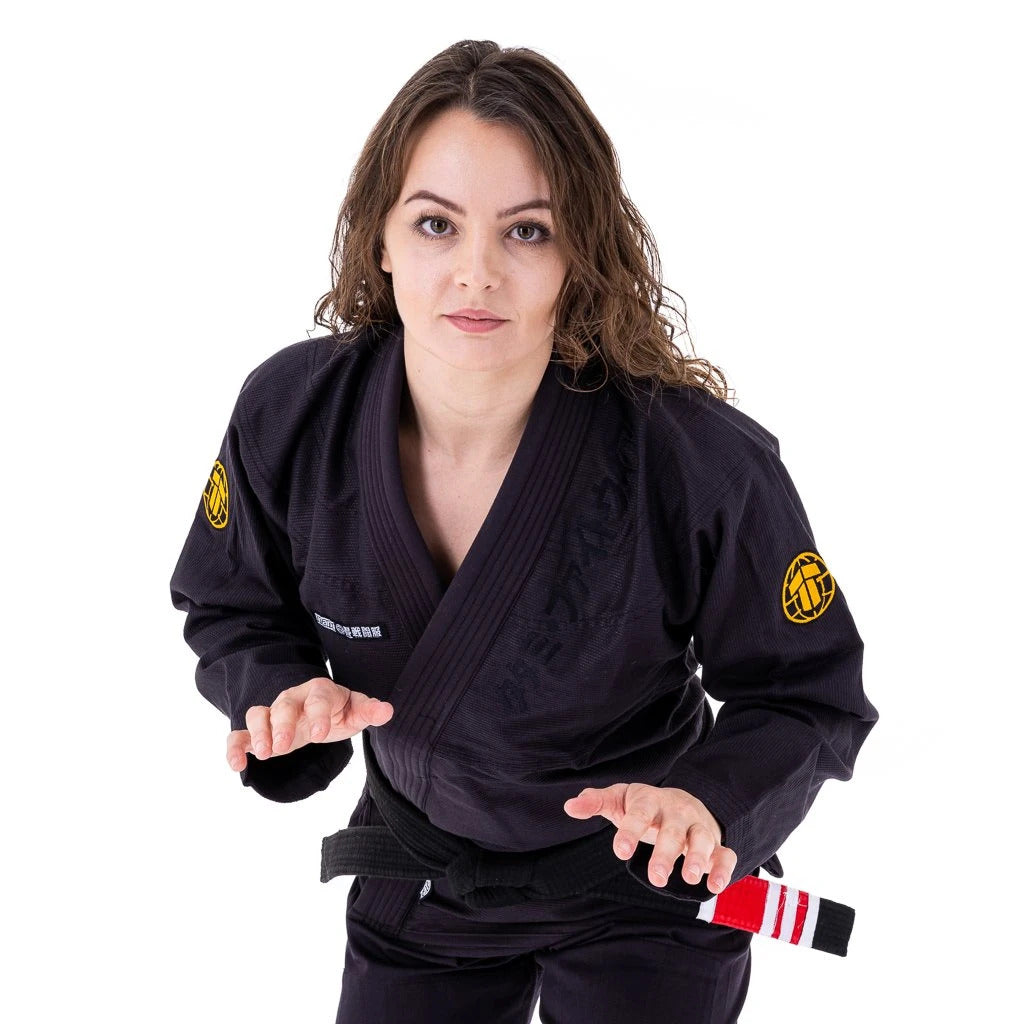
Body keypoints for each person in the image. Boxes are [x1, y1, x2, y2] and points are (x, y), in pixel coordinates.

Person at [169, 39, 878, 1024]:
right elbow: (232, 602)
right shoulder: (291, 415)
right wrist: (279, 691)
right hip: (423, 876)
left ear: (578, 253)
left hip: (643, 879)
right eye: (435, 224)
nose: (476, 273)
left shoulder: (694, 460)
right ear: (380, 238)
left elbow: (804, 690)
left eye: (527, 232)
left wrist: (709, 803)